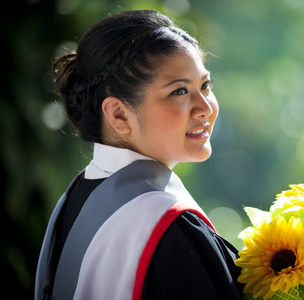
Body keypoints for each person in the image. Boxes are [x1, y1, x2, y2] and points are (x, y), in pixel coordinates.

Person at [35, 10, 244, 300]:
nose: (205, 107)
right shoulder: (169, 226)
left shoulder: (74, 201)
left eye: (205, 85)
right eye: (180, 91)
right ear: (119, 114)